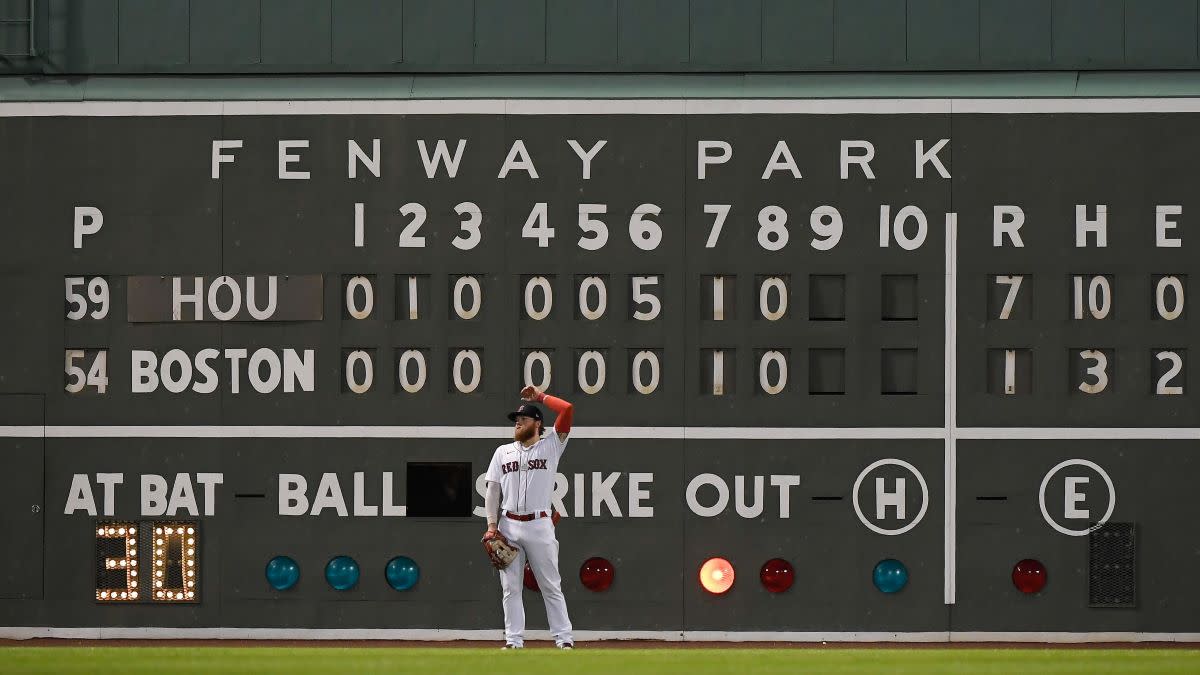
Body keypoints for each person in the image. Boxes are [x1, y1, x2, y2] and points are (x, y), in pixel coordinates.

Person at [483, 385, 575, 650]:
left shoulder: (552, 446)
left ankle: (564, 639)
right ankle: (513, 641)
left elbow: (567, 409)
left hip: (539, 524)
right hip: (508, 524)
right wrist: (491, 526)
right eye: (516, 420)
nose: (517, 423)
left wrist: (541, 397)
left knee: (550, 585)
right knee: (511, 588)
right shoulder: (503, 452)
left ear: (538, 423)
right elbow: (493, 490)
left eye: (523, 419)